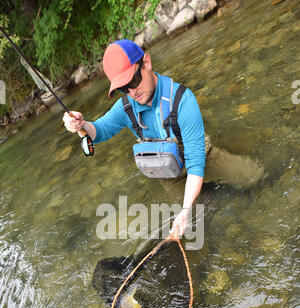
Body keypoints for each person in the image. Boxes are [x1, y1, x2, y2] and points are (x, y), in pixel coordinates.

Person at [63, 39, 266, 236]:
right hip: (169, 175)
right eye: (124, 88)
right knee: (200, 219)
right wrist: (82, 125)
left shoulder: (183, 101)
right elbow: (100, 131)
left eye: (134, 80)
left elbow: (196, 163)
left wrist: (184, 209)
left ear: (147, 63)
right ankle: (207, 198)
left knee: (254, 176)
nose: (132, 92)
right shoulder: (125, 107)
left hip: (203, 159)